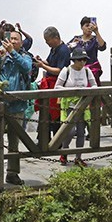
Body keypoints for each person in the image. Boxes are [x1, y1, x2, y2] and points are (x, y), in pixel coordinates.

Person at [0, 28, 36, 185]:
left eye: (16, 39)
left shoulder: (24, 56)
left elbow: (27, 68)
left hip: (18, 105)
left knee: (14, 142)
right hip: (0, 104)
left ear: (21, 42)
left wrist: (13, 53)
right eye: (11, 38)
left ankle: (12, 173)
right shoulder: (0, 57)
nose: (13, 41)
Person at [33, 26, 71, 159]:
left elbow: (60, 70)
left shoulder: (64, 50)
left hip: (57, 85)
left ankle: (56, 142)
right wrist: (41, 61)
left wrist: (43, 67)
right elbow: (50, 62)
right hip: (49, 84)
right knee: (46, 113)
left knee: (55, 114)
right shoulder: (54, 49)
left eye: (48, 40)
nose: (46, 43)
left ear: (56, 38)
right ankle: (43, 140)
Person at [56, 48, 98, 166]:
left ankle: (78, 157)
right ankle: (64, 152)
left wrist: (89, 91)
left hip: (83, 105)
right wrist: (72, 91)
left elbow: (94, 85)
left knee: (81, 132)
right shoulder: (66, 70)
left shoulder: (87, 71)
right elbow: (57, 87)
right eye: (80, 60)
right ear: (74, 60)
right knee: (69, 131)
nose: (83, 62)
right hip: (69, 105)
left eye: (85, 60)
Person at [69, 16, 107, 83]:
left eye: (91, 26)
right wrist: (72, 45)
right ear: (81, 27)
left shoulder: (95, 39)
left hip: (93, 69)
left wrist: (96, 31)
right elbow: (66, 50)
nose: (89, 28)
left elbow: (102, 47)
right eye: (87, 26)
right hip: (78, 70)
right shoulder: (76, 39)